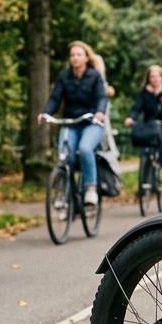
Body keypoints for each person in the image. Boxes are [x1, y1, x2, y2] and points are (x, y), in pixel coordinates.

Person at [40, 41, 107, 205]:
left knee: (85, 149)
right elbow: (55, 98)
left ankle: (90, 188)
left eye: (78, 55)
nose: (75, 58)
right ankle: (68, 195)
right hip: (71, 123)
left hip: (91, 123)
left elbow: (101, 97)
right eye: (72, 55)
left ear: (86, 58)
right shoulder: (64, 77)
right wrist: (46, 112)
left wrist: (99, 112)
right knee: (65, 157)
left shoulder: (94, 76)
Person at [124, 64, 162, 192]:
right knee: (146, 151)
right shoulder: (144, 93)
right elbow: (136, 108)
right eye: (152, 76)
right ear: (148, 78)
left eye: (157, 76)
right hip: (150, 129)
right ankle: (146, 179)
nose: (155, 79)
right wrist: (130, 118)